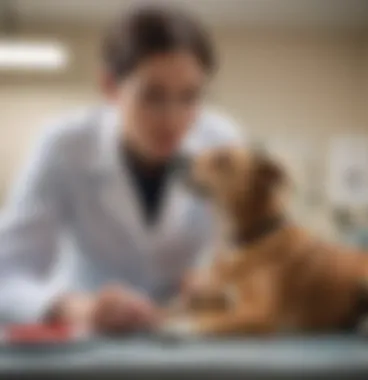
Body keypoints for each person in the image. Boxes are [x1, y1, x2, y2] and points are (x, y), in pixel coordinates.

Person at [0, 4, 242, 333]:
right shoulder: (65, 146)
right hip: (91, 334)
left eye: (190, 97)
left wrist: (217, 280)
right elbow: (8, 274)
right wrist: (74, 307)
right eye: (152, 96)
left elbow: (246, 254)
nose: (172, 119)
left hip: (185, 330)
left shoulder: (222, 143)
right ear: (110, 86)